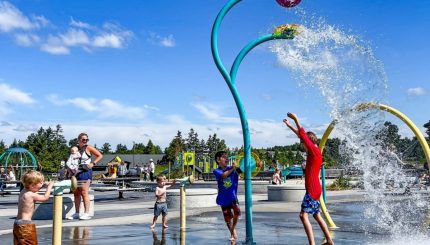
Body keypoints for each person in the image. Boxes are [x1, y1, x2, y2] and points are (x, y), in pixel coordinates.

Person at [283, 112, 334, 245]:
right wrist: (289, 126)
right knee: (316, 215)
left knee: (303, 215)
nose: (303, 146)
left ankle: (312, 244)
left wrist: (296, 119)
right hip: (316, 189)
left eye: (304, 143)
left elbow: (302, 134)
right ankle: (329, 240)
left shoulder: (312, 150)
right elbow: (302, 136)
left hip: (312, 189)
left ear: (308, 142)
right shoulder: (316, 151)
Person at [67, 133, 103, 221]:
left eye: (87, 140)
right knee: (76, 193)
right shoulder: (75, 148)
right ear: (79, 140)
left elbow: (100, 155)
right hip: (76, 171)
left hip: (85, 171)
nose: (85, 141)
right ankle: (77, 212)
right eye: (83, 139)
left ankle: (87, 213)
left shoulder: (89, 147)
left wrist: (93, 163)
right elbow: (72, 156)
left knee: (84, 192)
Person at [13, 170, 54, 245]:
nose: (42, 184)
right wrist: (49, 187)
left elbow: (35, 189)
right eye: (40, 183)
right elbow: (45, 198)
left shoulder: (23, 191)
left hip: (17, 224)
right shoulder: (31, 195)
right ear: (32, 185)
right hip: (26, 226)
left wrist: (43, 185)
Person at [213, 151, 241, 242]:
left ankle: (233, 229)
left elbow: (244, 171)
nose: (227, 158)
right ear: (218, 160)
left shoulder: (233, 168)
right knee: (228, 218)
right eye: (224, 157)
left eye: (227, 157)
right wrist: (233, 168)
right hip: (223, 198)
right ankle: (232, 233)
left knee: (237, 213)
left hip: (233, 196)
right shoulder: (217, 171)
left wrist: (256, 165)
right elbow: (224, 175)